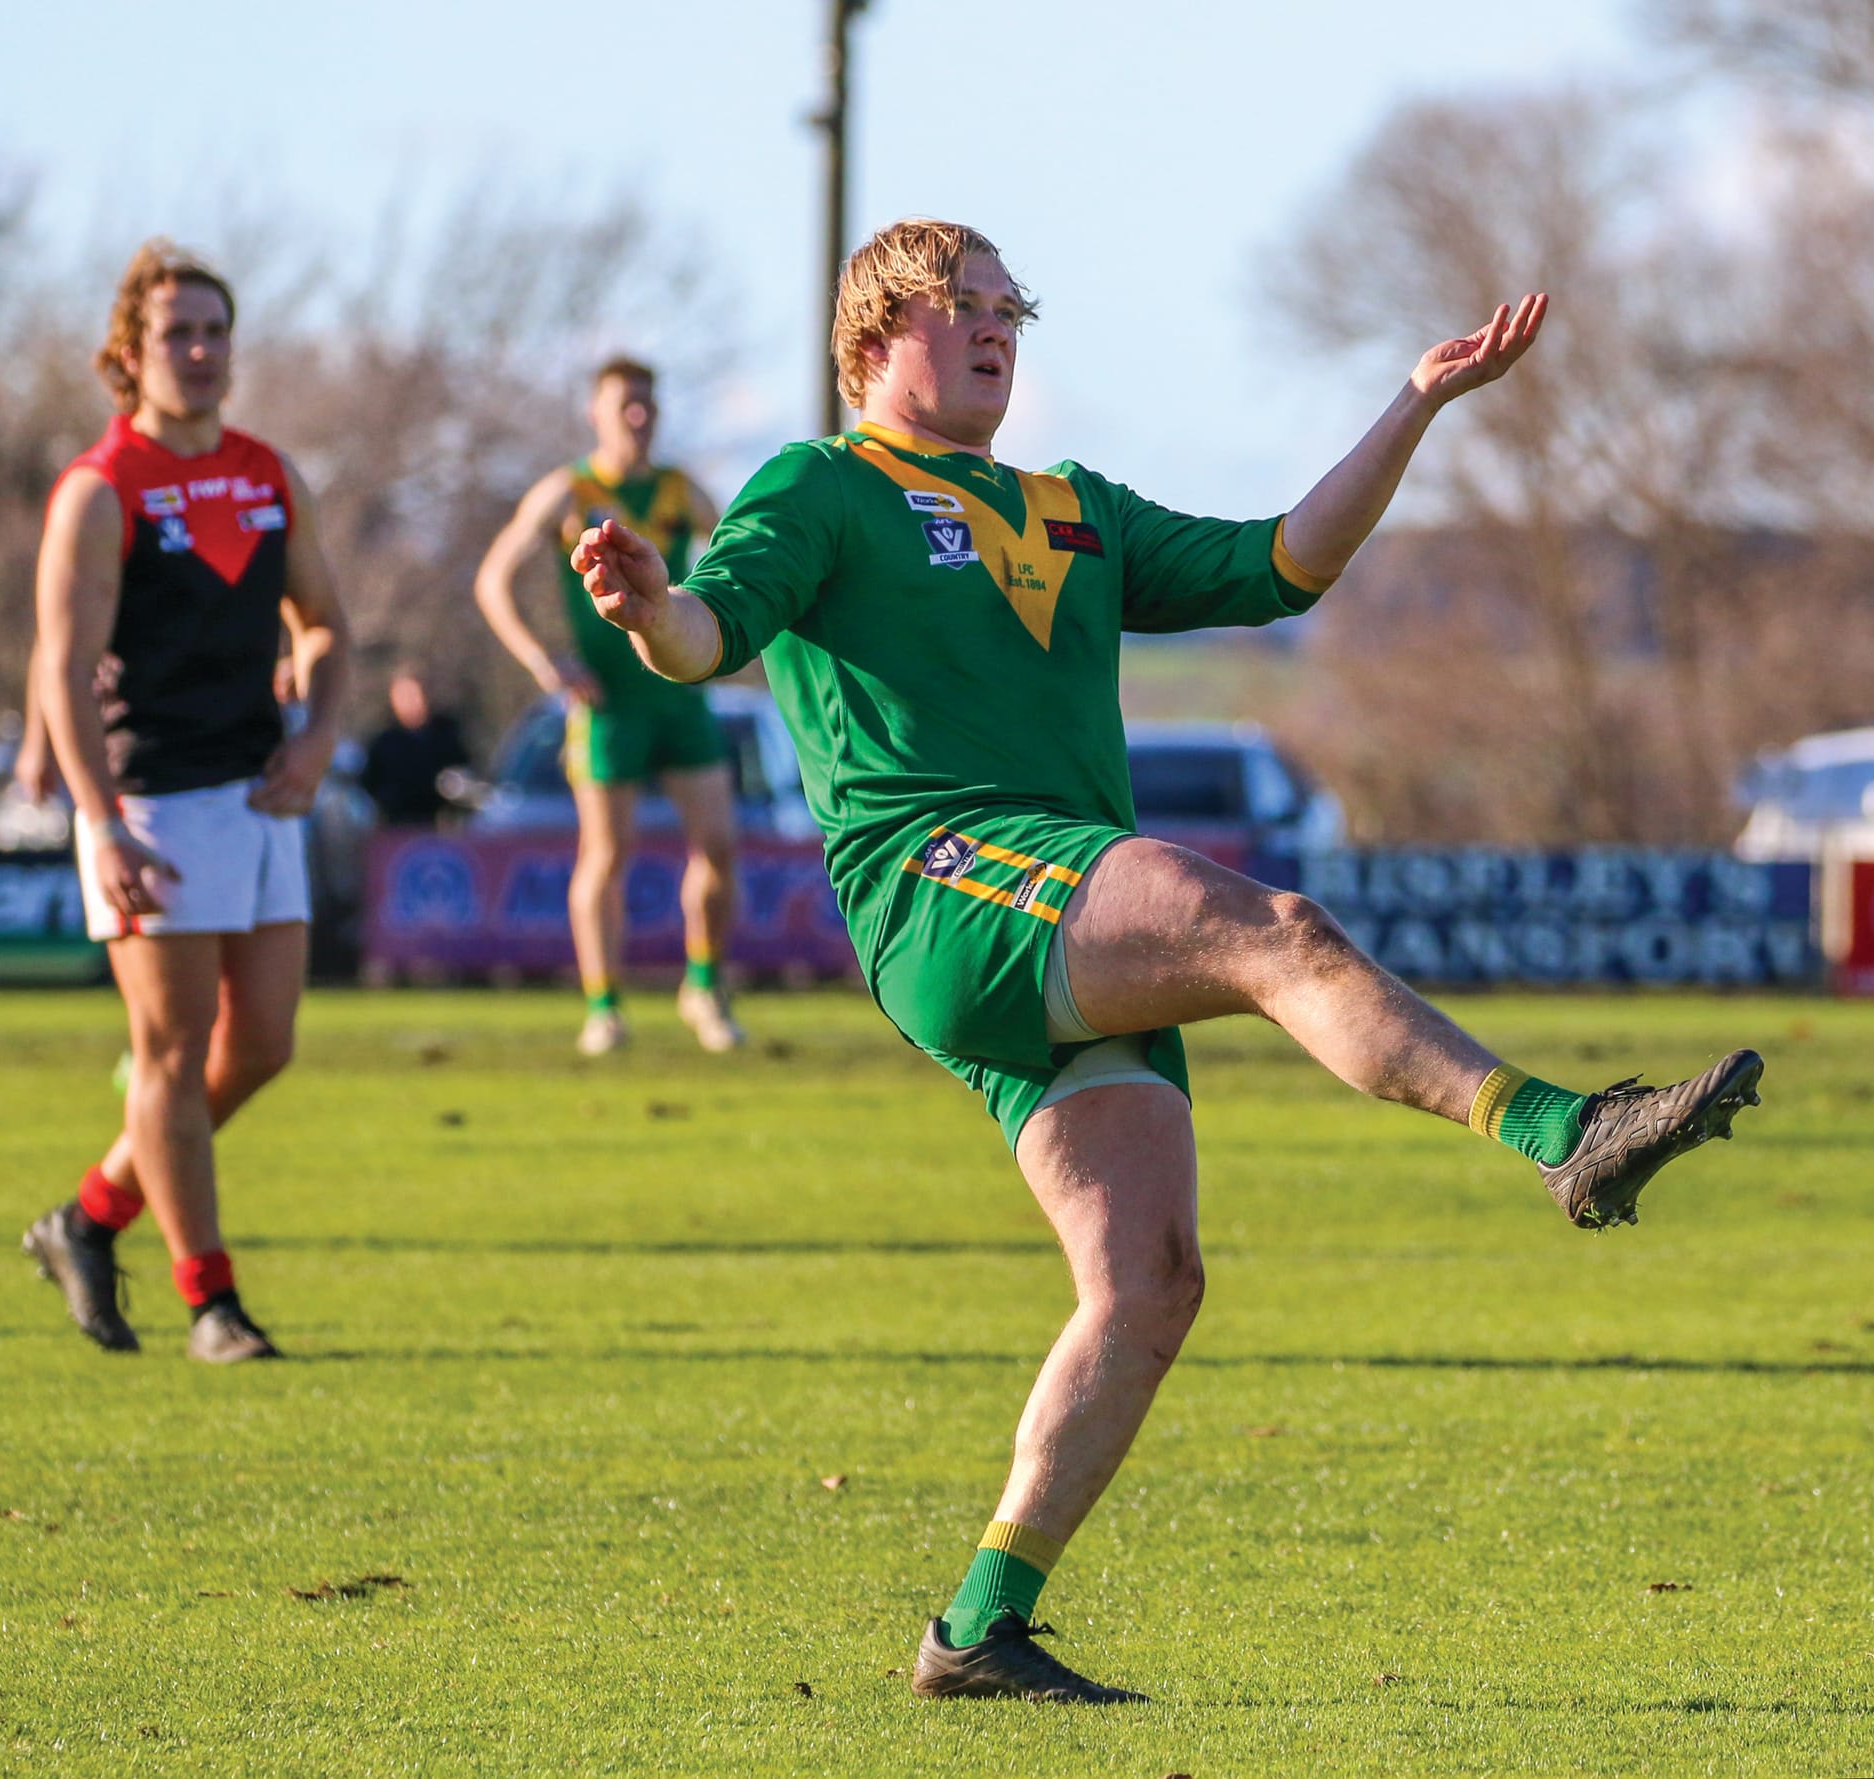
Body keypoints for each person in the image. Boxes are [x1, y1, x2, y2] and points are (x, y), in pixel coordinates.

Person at [571, 219, 1765, 1702]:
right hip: (946, 879)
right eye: (966, 305)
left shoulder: (1072, 506)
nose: (1000, 327)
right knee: (1276, 930)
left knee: (1150, 1279)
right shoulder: (823, 485)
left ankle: (979, 1625)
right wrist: (642, 609)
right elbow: (707, 631)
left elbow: (1283, 566)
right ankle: (1561, 1130)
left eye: (1014, 307)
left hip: (1061, 913)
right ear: (875, 335)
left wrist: (1416, 404)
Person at [22, 239, 350, 1364]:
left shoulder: (266, 473)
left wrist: (314, 740)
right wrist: (100, 821)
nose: (202, 351)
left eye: (216, 331)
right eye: (178, 332)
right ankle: (211, 1302)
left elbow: (328, 630)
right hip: (148, 801)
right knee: (169, 1051)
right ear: (130, 352)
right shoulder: (100, 488)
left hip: (259, 794)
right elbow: (63, 668)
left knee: (261, 1045)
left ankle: (90, 1214)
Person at [474, 356, 744, 1055]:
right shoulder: (570, 490)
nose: (638, 416)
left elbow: (740, 556)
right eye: (625, 403)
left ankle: (704, 988)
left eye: (647, 403)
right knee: (607, 852)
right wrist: (543, 659)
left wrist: (722, 632)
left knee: (717, 846)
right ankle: (604, 1007)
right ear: (595, 411)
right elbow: (493, 578)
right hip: (606, 700)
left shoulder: (682, 491)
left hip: (681, 693)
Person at [359, 666, 469, 827]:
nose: (411, 701)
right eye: (404, 695)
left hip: (442, 830)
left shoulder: (447, 735)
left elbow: (463, 776)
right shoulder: (384, 743)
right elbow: (371, 788)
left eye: (415, 694)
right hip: (398, 829)